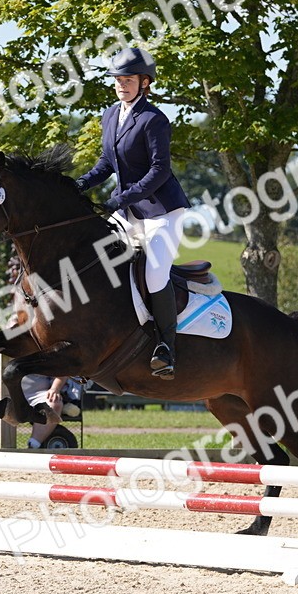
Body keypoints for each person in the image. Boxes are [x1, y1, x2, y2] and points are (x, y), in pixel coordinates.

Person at [73, 47, 189, 379]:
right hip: (127, 210)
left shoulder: (154, 120)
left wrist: (121, 198)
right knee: (95, 256)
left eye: (129, 80)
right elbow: (107, 163)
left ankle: (166, 348)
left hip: (161, 213)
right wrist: (79, 184)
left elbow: (159, 171)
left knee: (154, 274)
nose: (122, 85)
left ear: (144, 82)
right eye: (119, 80)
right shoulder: (110, 116)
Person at [0, 352, 67, 448]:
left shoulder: (43, 348)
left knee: (55, 403)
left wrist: (55, 389)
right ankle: (7, 445)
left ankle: (33, 445)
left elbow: (62, 372)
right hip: (6, 394)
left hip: (37, 395)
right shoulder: (0, 348)